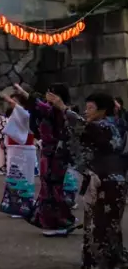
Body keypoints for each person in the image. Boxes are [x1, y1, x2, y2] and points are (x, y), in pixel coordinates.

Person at [67, 93, 126, 269]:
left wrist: (62, 108)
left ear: (102, 110)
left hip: (103, 179)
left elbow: (79, 129)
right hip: (115, 178)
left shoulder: (98, 126)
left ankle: (109, 268)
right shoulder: (115, 124)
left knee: (102, 223)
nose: (86, 111)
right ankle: (112, 264)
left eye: (90, 107)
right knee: (110, 224)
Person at [20, 83, 79, 237]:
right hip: (48, 152)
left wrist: (25, 94)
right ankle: (55, 221)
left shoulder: (60, 111)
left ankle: (57, 221)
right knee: (49, 186)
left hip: (57, 153)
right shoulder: (49, 110)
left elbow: (40, 106)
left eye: (52, 93)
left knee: (53, 187)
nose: (48, 96)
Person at [0, 92, 36, 219]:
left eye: (15, 101)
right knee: (13, 178)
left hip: (25, 150)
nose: (11, 103)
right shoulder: (14, 115)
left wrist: (9, 99)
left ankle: (24, 206)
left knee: (23, 179)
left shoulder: (27, 114)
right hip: (14, 150)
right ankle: (13, 206)